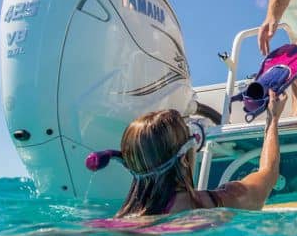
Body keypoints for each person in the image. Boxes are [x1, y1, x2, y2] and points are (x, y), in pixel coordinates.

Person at [114, 90, 287, 216]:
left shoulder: (120, 222)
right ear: (184, 158)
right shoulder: (219, 201)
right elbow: (268, 174)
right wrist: (273, 119)